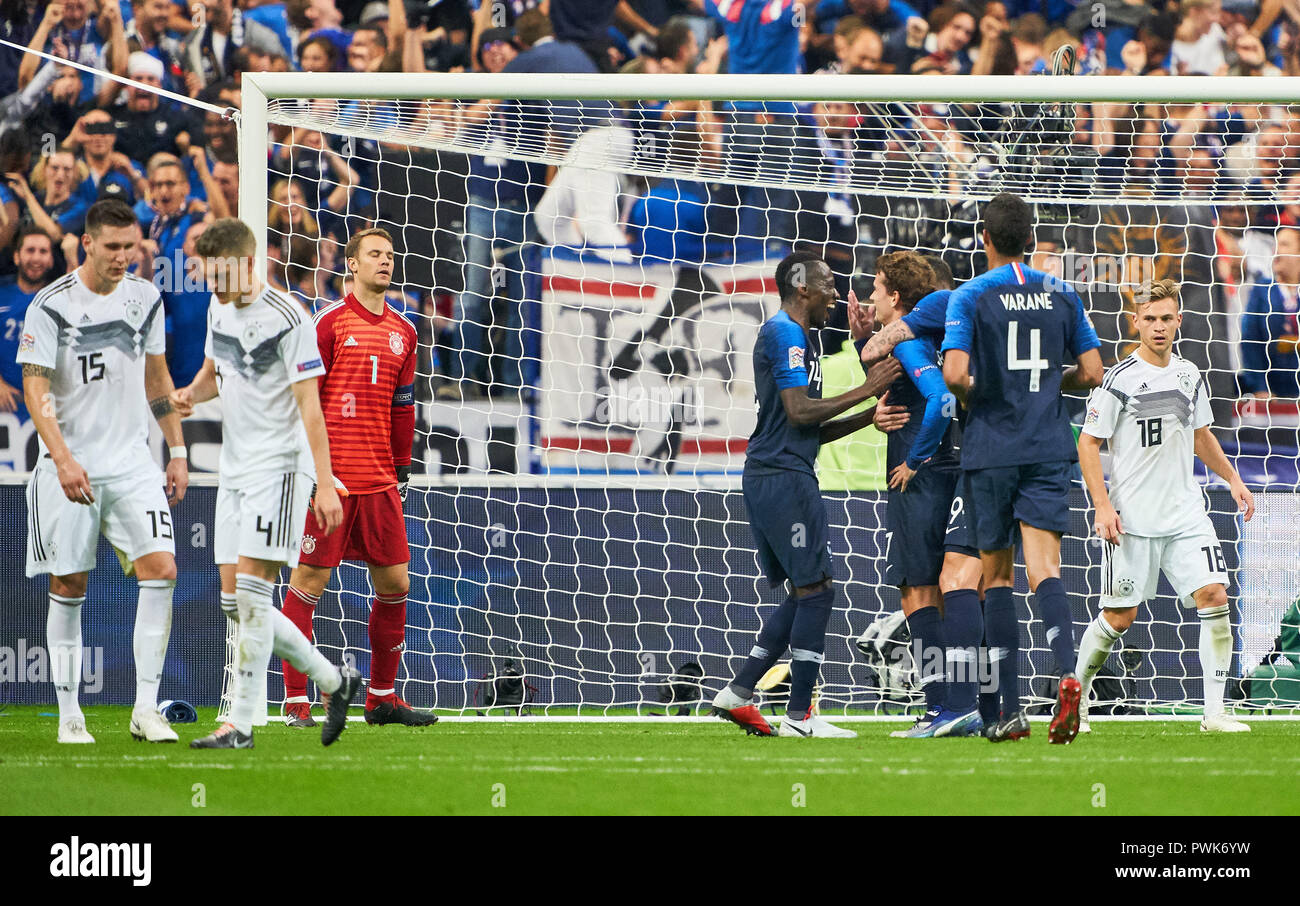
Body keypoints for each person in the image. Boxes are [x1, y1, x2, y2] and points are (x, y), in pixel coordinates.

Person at [171, 217, 361, 749]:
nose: (213, 287)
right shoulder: (218, 306)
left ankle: (241, 724)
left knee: (253, 595)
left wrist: (324, 482)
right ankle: (333, 680)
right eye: (207, 277)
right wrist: (189, 395)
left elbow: (310, 405)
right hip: (233, 469)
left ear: (249, 263)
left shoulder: (288, 318)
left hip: (278, 468)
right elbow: (214, 374)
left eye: (220, 276)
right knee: (234, 601)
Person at [710, 251, 904, 738]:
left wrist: (867, 417)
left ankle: (738, 693)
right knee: (817, 591)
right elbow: (799, 412)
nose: (836, 294)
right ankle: (799, 716)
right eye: (829, 285)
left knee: (806, 592)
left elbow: (804, 428)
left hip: (779, 472)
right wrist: (865, 390)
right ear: (803, 289)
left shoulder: (800, 338)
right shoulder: (785, 334)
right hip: (782, 479)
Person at [17, 199, 189, 745]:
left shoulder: (146, 298)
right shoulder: (52, 305)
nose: (122, 257)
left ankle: (146, 708)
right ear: (86, 243)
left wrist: (177, 449)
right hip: (69, 463)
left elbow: (157, 379)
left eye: (130, 247)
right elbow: (35, 386)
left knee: (162, 570)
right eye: (112, 247)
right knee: (70, 583)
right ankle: (71, 713)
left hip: (133, 462)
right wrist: (64, 458)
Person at [941, 192, 1104, 745]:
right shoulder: (1063, 293)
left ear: (983, 238)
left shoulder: (970, 295)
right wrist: (1042, 385)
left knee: (997, 576)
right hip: (1048, 445)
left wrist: (994, 388)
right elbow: (1093, 371)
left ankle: (1008, 712)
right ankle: (1066, 673)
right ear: (1032, 241)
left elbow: (956, 376)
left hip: (991, 449)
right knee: (1046, 570)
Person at [1076, 279, 1254, 734]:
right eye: (1149, 319)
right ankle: (1074, 697)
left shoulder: (1190, 375)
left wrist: (1233, 478)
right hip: (1132, 518)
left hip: (1185, 513)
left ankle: (1214, 712)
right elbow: (1089, 444)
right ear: (1135, 322)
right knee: (1120, 617)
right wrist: (1102, 506)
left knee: (1214, 596)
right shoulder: (1119, 378)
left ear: (1179, 321)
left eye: (1166, 318)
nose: (1158, 327)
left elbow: (1200, 437)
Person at [279, 227, 433, 728]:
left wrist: (403, 470)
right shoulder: (328, 325)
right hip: (333, 481)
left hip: (381, 481)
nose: (385, 262)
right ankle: (296, 702)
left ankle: (381, 698)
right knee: (309, 582)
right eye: (374, 254)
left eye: (390, 255)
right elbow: (305, 402)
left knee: (396, 583)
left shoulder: (405, 332)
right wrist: (315, 475)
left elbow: (403, 407)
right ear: (351, 264)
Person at [862, 251, 988, 738]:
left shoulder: (915, 342)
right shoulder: (946, 338)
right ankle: (967, 705)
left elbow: (938, 398)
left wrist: (912, 462)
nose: (870, 296)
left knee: (923, 589)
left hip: (927, 473)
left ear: (895, 297)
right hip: (960, 466)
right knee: (967, 585)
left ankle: (947, 706)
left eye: (875, 288)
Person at [0, 225, 56, 422]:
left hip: (49, 408)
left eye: (43, 252)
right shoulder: (1, 295)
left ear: (50, 260)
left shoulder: (59, 300)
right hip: (7, 408)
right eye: (30, 250)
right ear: (17, 257)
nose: (36, 258)